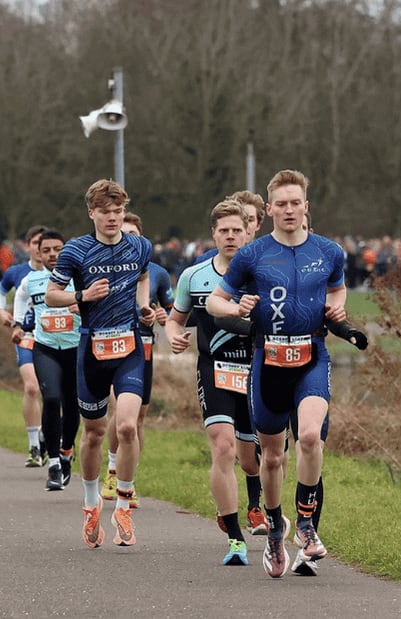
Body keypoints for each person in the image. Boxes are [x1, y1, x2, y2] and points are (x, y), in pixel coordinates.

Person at [206, 169, 347, 578]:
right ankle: (273, 532)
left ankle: (304, 525)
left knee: (308, 437)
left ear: (306, 207)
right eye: (280, 204)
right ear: (269, 211)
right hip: (267, 362)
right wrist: (235, 309)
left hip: (312, 357)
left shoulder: (329, 251)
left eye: (295, 203)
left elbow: (337, 288)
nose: (288, 210)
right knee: (271, 458)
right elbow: (216, 300)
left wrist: (336, 310)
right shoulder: (252, 255)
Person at [46, 179, 155, 548]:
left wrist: (144, 306)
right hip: (92, 348)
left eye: (118, 211)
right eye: (105, 212)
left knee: (126, 426)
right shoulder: (76, 251)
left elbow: (143, 276)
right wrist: (82, 295)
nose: (112, 218)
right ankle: (92, 503)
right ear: (91, 213)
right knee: (93, 432)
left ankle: (123, 503)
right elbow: (51, 296)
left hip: (129, 347)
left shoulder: (140, 245)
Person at [166, 198, 263, 567]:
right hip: (215, 369)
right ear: (213, 235)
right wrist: (173, 334)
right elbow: (176, 318)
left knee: (253, 458)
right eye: (223, 231)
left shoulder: (262, 272)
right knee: (223, 448)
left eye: (237, 229)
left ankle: (257, 503)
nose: (231, 236)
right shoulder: (195, 275)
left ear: (248, 230)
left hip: (257, 371)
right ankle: (236, 538)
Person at [100, 213, 173, 509]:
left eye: (133, 233)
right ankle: (112, 470)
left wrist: (163, 316)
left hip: (143, 346)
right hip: (113, 345)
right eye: (123, 232)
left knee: (138, 417)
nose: (127, 237)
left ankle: (130, 480)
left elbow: (171, 310)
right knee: (118, 410)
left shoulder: (157, 272)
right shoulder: (104, 265)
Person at [13, 230, 81, 491]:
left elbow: (95, 303)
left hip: (75, 348)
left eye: (58, 249)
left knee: (73, 406)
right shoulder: (31, 280)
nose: (53, 254)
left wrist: (81, 307)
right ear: (38, 254)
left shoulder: (78, 276)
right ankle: (53, 463)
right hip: (46, 348)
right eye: (47, 250)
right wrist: (18, 324)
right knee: (51, 399)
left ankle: (66, 451)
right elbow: (20, 298)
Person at [0, 225, 47, 467]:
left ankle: (49, 434)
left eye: (44, 244)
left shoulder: (60, 272)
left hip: (54, 338)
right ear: (28, 246)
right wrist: (2, 312)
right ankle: (34, 445)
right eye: (35, 243)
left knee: (52, 392)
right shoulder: (17, 272)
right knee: (32, 387)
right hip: (25, 335)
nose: (39, 248)